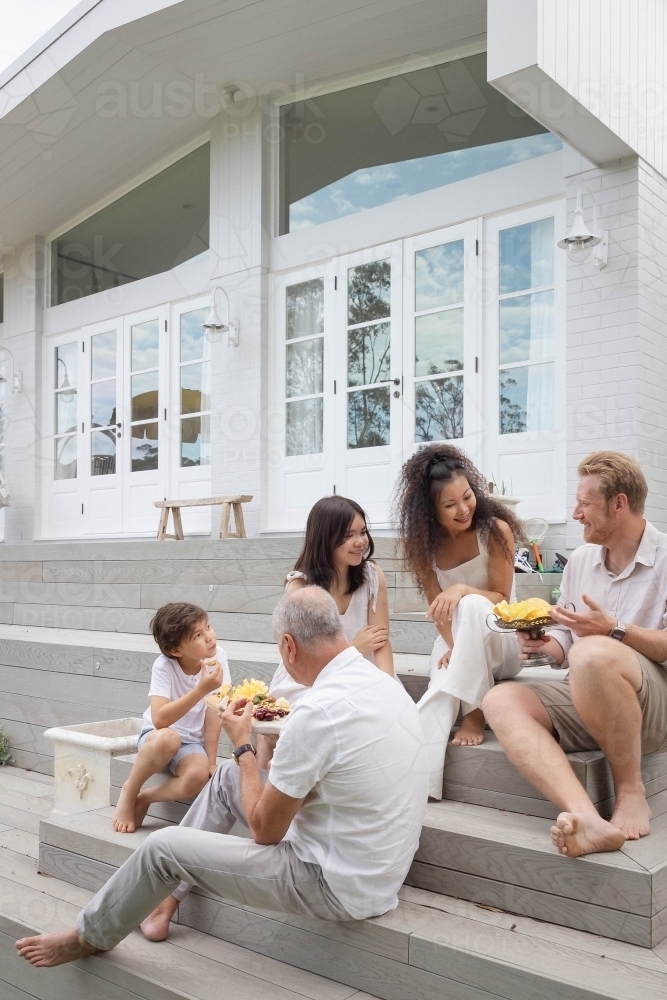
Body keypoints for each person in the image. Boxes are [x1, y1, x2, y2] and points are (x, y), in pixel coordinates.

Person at [15, 587, 429, 968]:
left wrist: (244, 745)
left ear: (289, 645)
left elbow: (266, 831)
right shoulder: (385, 685)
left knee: (163, 846)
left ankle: (89, 937)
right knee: (227, 777)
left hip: (334, 882)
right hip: (377, 867)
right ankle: (163, 902)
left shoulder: (318, 712)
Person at [483, 451, 667, 859]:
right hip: (589, 689)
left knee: (596, 652)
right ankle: (587, 817)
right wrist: (544, 644)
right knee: (499, 699)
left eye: (584, 503)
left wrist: (614, 630)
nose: (576, 513)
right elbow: (567, 639)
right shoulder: (581, 560)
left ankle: (632, 793)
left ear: (619, 503)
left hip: (655, 706)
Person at [394, 444, 525, 799]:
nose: (464, 509)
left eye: (467, 497)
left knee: (468, 606)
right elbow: (439, 613)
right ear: (430, 512)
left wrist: (464, 590)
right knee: (440, 689)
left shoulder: (495, 530)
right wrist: (457, 647)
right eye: (450, 505)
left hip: (502, 638)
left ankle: (475, 712)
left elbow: (500, 600)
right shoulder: (423, 545)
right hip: (453, 639)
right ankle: (418, 783)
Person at [112, 603, 231, 833]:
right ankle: (130, 790)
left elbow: (213, 713)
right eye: (198, 635)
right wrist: (200, 689)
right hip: (157, 739)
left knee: (197, 777)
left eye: (208, 626)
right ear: (177, 650)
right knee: (168, 738)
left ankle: (145, 798)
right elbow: (159, 719)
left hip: (191, 744)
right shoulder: (164, 666)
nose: (210, 637)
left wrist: (212, 760)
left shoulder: (219, 658)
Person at [268, 494, 394, 708]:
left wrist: (389, 688)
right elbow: (305, 657)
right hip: (311, 680)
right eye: (348, 535)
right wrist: (354, 648)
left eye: (363, 532)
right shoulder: (300, 587)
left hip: (362, 673)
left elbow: (380, 642)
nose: (361, 541)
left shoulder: (372, 576)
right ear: (325, 538)